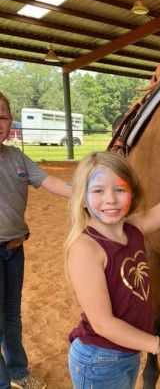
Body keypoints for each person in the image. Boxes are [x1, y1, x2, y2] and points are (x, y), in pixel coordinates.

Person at [65, 109, 160, 389]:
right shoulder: (86, 248)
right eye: (98, 191)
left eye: (120, 189)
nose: (111, 200)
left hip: (126, 353)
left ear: (132, 193)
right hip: (99, 359)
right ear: (82, 199)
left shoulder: (133, 227)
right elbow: (104, 324)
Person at [0, 92, 72, 389]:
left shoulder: (17, 157)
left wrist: (89, 191)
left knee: (11, 315)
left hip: (14, 250)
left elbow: (50, 181)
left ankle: (18, 372)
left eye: (2, 116)